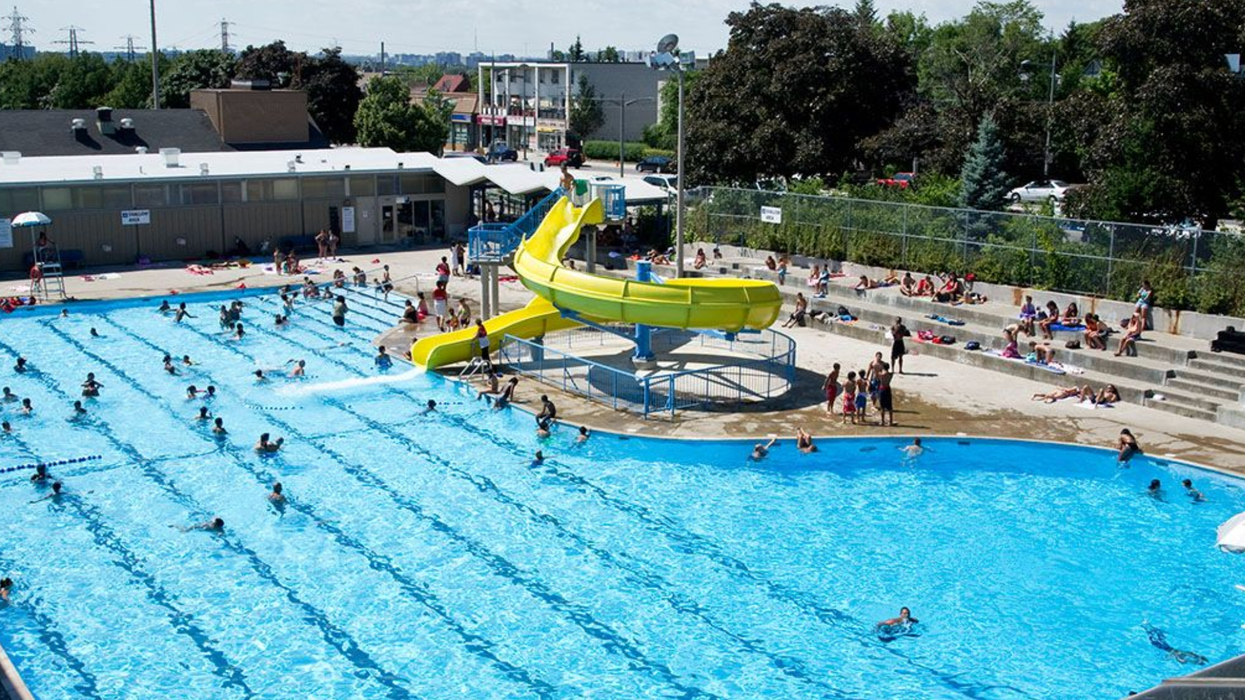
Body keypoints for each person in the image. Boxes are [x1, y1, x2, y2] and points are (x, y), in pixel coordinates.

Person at [1143, 622, 1207, 665]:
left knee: (1155, 639)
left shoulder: (1181, 657)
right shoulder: (1183, 655)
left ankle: (1147, 627)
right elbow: (1188, 655)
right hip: (1166, 647)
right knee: (1156, 638)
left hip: (1165, 648)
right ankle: (1148, 627)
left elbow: (1178, 658)